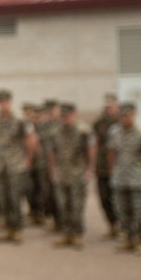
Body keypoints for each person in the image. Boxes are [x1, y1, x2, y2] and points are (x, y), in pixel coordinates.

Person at [107, 103, 141, 255]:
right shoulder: (114, 131)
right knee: (122, 210)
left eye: (128, 115)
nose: (125, 118)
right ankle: (128, 238)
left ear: (134, 115)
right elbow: (111, 152)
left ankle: (140, 240)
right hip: (120, 177)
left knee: (138, 210)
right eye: (122, 115)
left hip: (138, 178)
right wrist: (112, 171)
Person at [0, 89, 37, 243]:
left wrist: (28, 160)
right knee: (2, 198)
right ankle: (8, 228)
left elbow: (31, 139)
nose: (3, 105)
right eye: (0, 102)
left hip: (15, 165)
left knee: (14, 198)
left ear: (10, 102)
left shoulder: (19, 120)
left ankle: (17, 230)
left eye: (5, 102)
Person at [47, 103, 94, 249]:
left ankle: (77, 234)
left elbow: (90, 150)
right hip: (62, 173)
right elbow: (52, 152)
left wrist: (89, 169)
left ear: (75, 114)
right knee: (63, 205)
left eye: (68, 115)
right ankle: (67, 233)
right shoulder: (56, 131)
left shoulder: (83, 130)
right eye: (63, 116)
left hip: (77, 174)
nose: (65, 118)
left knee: (77, 206)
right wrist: (53, 169)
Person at [93, 93, 121, 238]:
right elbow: (95, 143)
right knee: (104, 198)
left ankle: (123, 227)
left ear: (117, 106)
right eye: (106, 107)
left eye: (111, 106)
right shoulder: (99, 123)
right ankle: (112, 225)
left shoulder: (122, 122)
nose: (109, 109)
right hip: (102, 167)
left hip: (119, 168)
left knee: (119, 199)